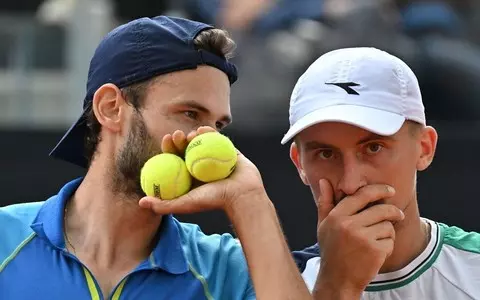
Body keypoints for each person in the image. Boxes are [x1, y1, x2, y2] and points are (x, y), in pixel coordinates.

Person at [0, 16, 312, 300]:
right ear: (111, 107)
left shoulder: (226, 268)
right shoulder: (5, 238)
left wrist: (251, 202)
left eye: (217, 125)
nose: (206, 139)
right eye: (189, 113)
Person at [281, 47, 480, 299]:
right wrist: (335, 289)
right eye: (326, 154)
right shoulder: (269, 286)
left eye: (374, 148)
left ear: (424, 148)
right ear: (300, 164)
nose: (351, 183)